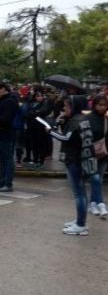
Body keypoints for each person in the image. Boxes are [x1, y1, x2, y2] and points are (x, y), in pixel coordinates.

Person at [47, 95, 96, 235]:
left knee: (78, 193)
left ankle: (81, 225)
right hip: (81, 159)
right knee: (80, 192)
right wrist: (60, 121)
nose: (64, 108)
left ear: (74, 106)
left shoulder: (76, 121)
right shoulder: (81, 118)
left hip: (75, 160)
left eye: (67, 106)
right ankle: (80, 221)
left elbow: (66, 138)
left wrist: (50, 132)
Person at [87, 95, 108, 218]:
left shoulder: (106, 119)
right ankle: (98, 203)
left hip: (104, 153)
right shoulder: (88, 118)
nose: (102, 107)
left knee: (98, 179)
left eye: (104, 105)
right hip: (91, 154)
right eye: (100, 104)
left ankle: (94, 202)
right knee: (94, 179)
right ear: (94, 105)